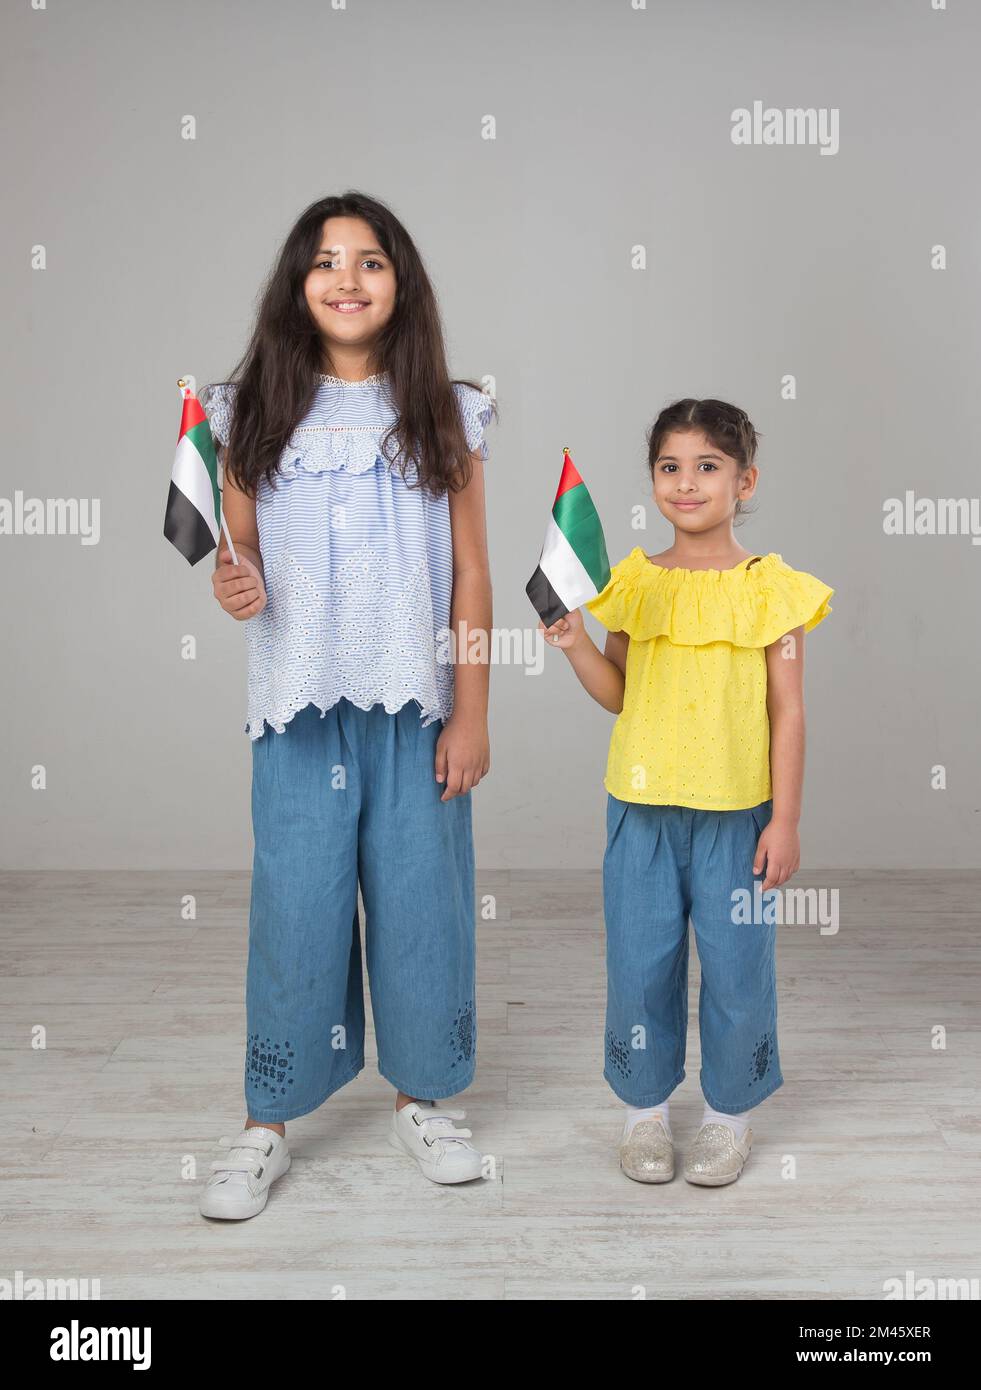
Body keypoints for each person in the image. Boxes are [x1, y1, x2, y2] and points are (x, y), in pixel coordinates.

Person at [198, 191, 495, 1219]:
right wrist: (230, 582)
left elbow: (470, 571)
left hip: (416, 706)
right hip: (297, 703)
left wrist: (473, 711)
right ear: (298, 283)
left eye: (370, 261)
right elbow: (236, 557)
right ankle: (267, 1119)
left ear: (400, 283)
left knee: (423, 899)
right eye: (327, 261)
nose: (348, 279)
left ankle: (425, 1096)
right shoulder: (253, 411)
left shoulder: (445, 412)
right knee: (298, 905)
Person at [541, 398, 833, 1186]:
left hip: (738, 817)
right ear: (652, 480)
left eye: (707, 466)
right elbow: (618, 693)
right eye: (669, 467)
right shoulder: (634, 584)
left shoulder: (772, 590)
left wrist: (787, 820)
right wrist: (573, 645)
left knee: (737, 966)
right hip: (640, 813)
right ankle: (641, 1113)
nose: (686, 482)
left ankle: (727, 1118)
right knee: (640, 962)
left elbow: (788, 709)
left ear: (745, 480)